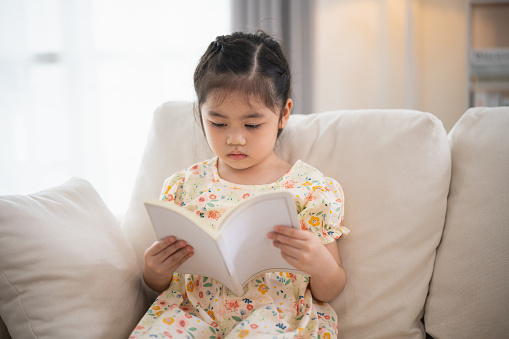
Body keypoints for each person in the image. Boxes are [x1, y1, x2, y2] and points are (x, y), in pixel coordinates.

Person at [129, 31, 349, 338]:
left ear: (283, 114)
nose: (235, 138)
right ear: (200, 114)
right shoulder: (185, 185)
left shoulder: (309, 189)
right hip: (191, 313)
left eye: (252, 124)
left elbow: (332, 287)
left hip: (275, 317)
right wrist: (154, 272)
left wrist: (320, 263)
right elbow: (161, 284)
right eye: (218, 123)